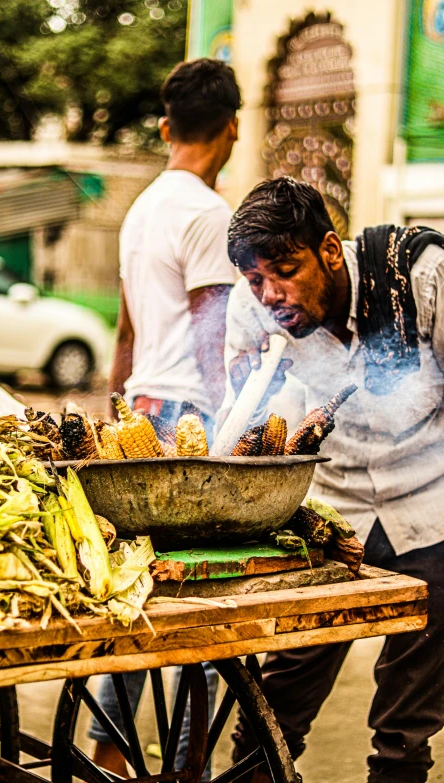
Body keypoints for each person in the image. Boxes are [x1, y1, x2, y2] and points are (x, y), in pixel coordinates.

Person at [221, 176, 444, 783]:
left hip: (430, 510)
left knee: (405, 728)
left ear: (328, 250)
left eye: (284, 271)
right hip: (331, 509)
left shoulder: (423, 279)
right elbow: (247, 425)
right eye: (255, 280)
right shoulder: (251, 311)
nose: (270, 294)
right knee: (274, 708)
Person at [91, 57, 241, 776]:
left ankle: (107, 754)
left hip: (140, 413)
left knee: (139, 594)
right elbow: (214, 342)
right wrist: (241, 430)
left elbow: (124, 334)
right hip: (192, 421)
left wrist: (111, 415)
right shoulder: (209, 213)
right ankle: (188, 768)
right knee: (205, 611)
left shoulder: (142, 207)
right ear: (232, 129)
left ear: (164, 128)